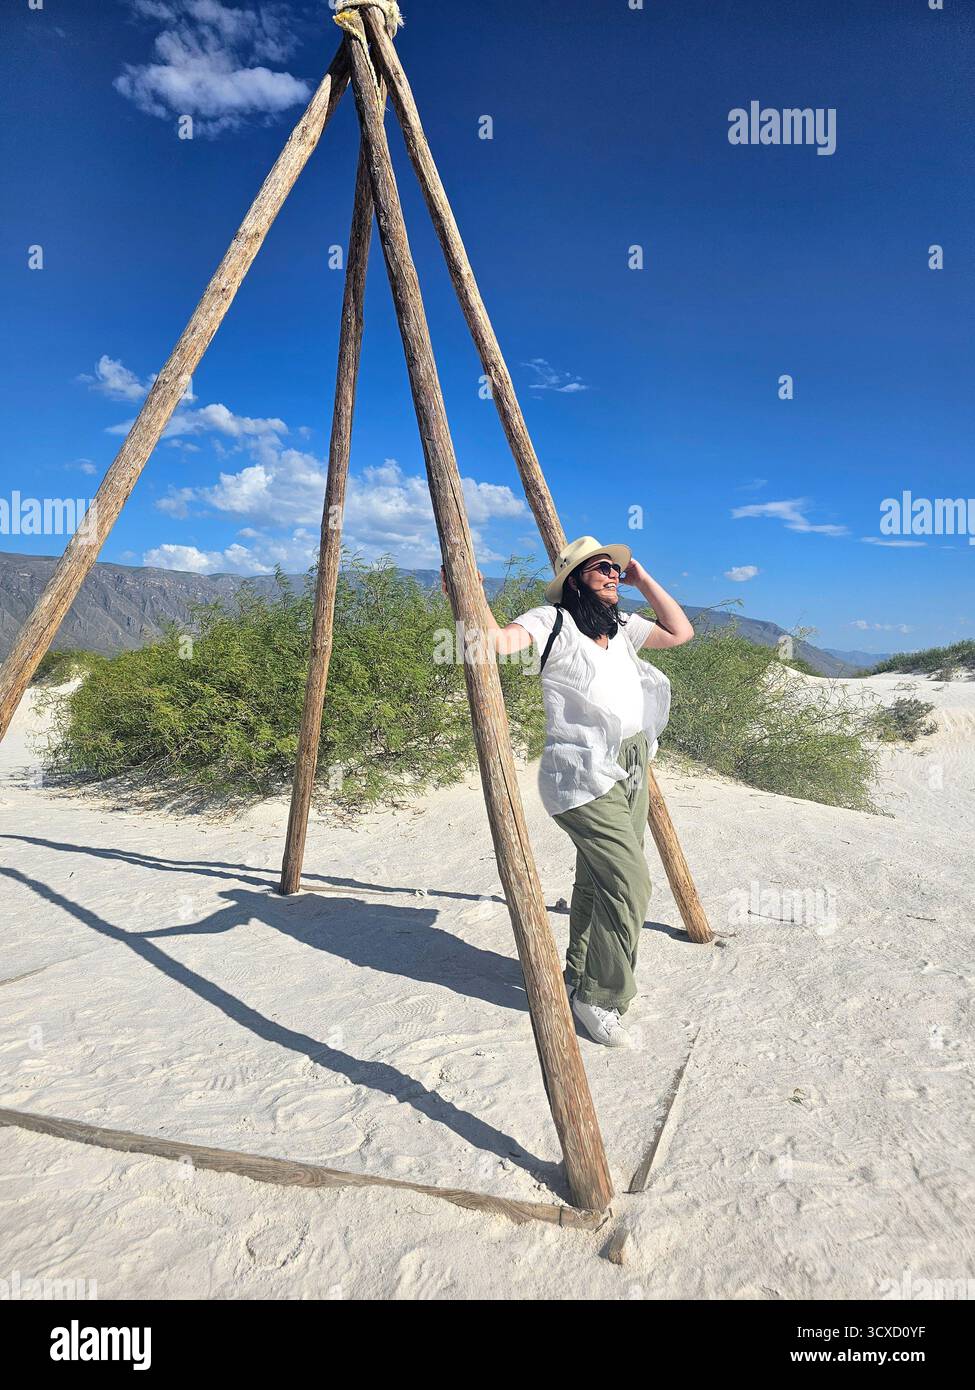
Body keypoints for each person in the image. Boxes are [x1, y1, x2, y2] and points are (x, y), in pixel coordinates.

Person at [478, 536, 694, 1048]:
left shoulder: (619, 626)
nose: (612, 573)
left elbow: (680, 632)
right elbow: (494, 642)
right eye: (601, 568)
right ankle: (599, 996)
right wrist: (468, 598)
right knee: (631, 882)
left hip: (633, 760)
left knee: (599, 880)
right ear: (575, 579)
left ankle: (578, 974)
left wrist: (643, 580)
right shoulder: (550, 620)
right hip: (580, 769)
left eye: (615, 568)